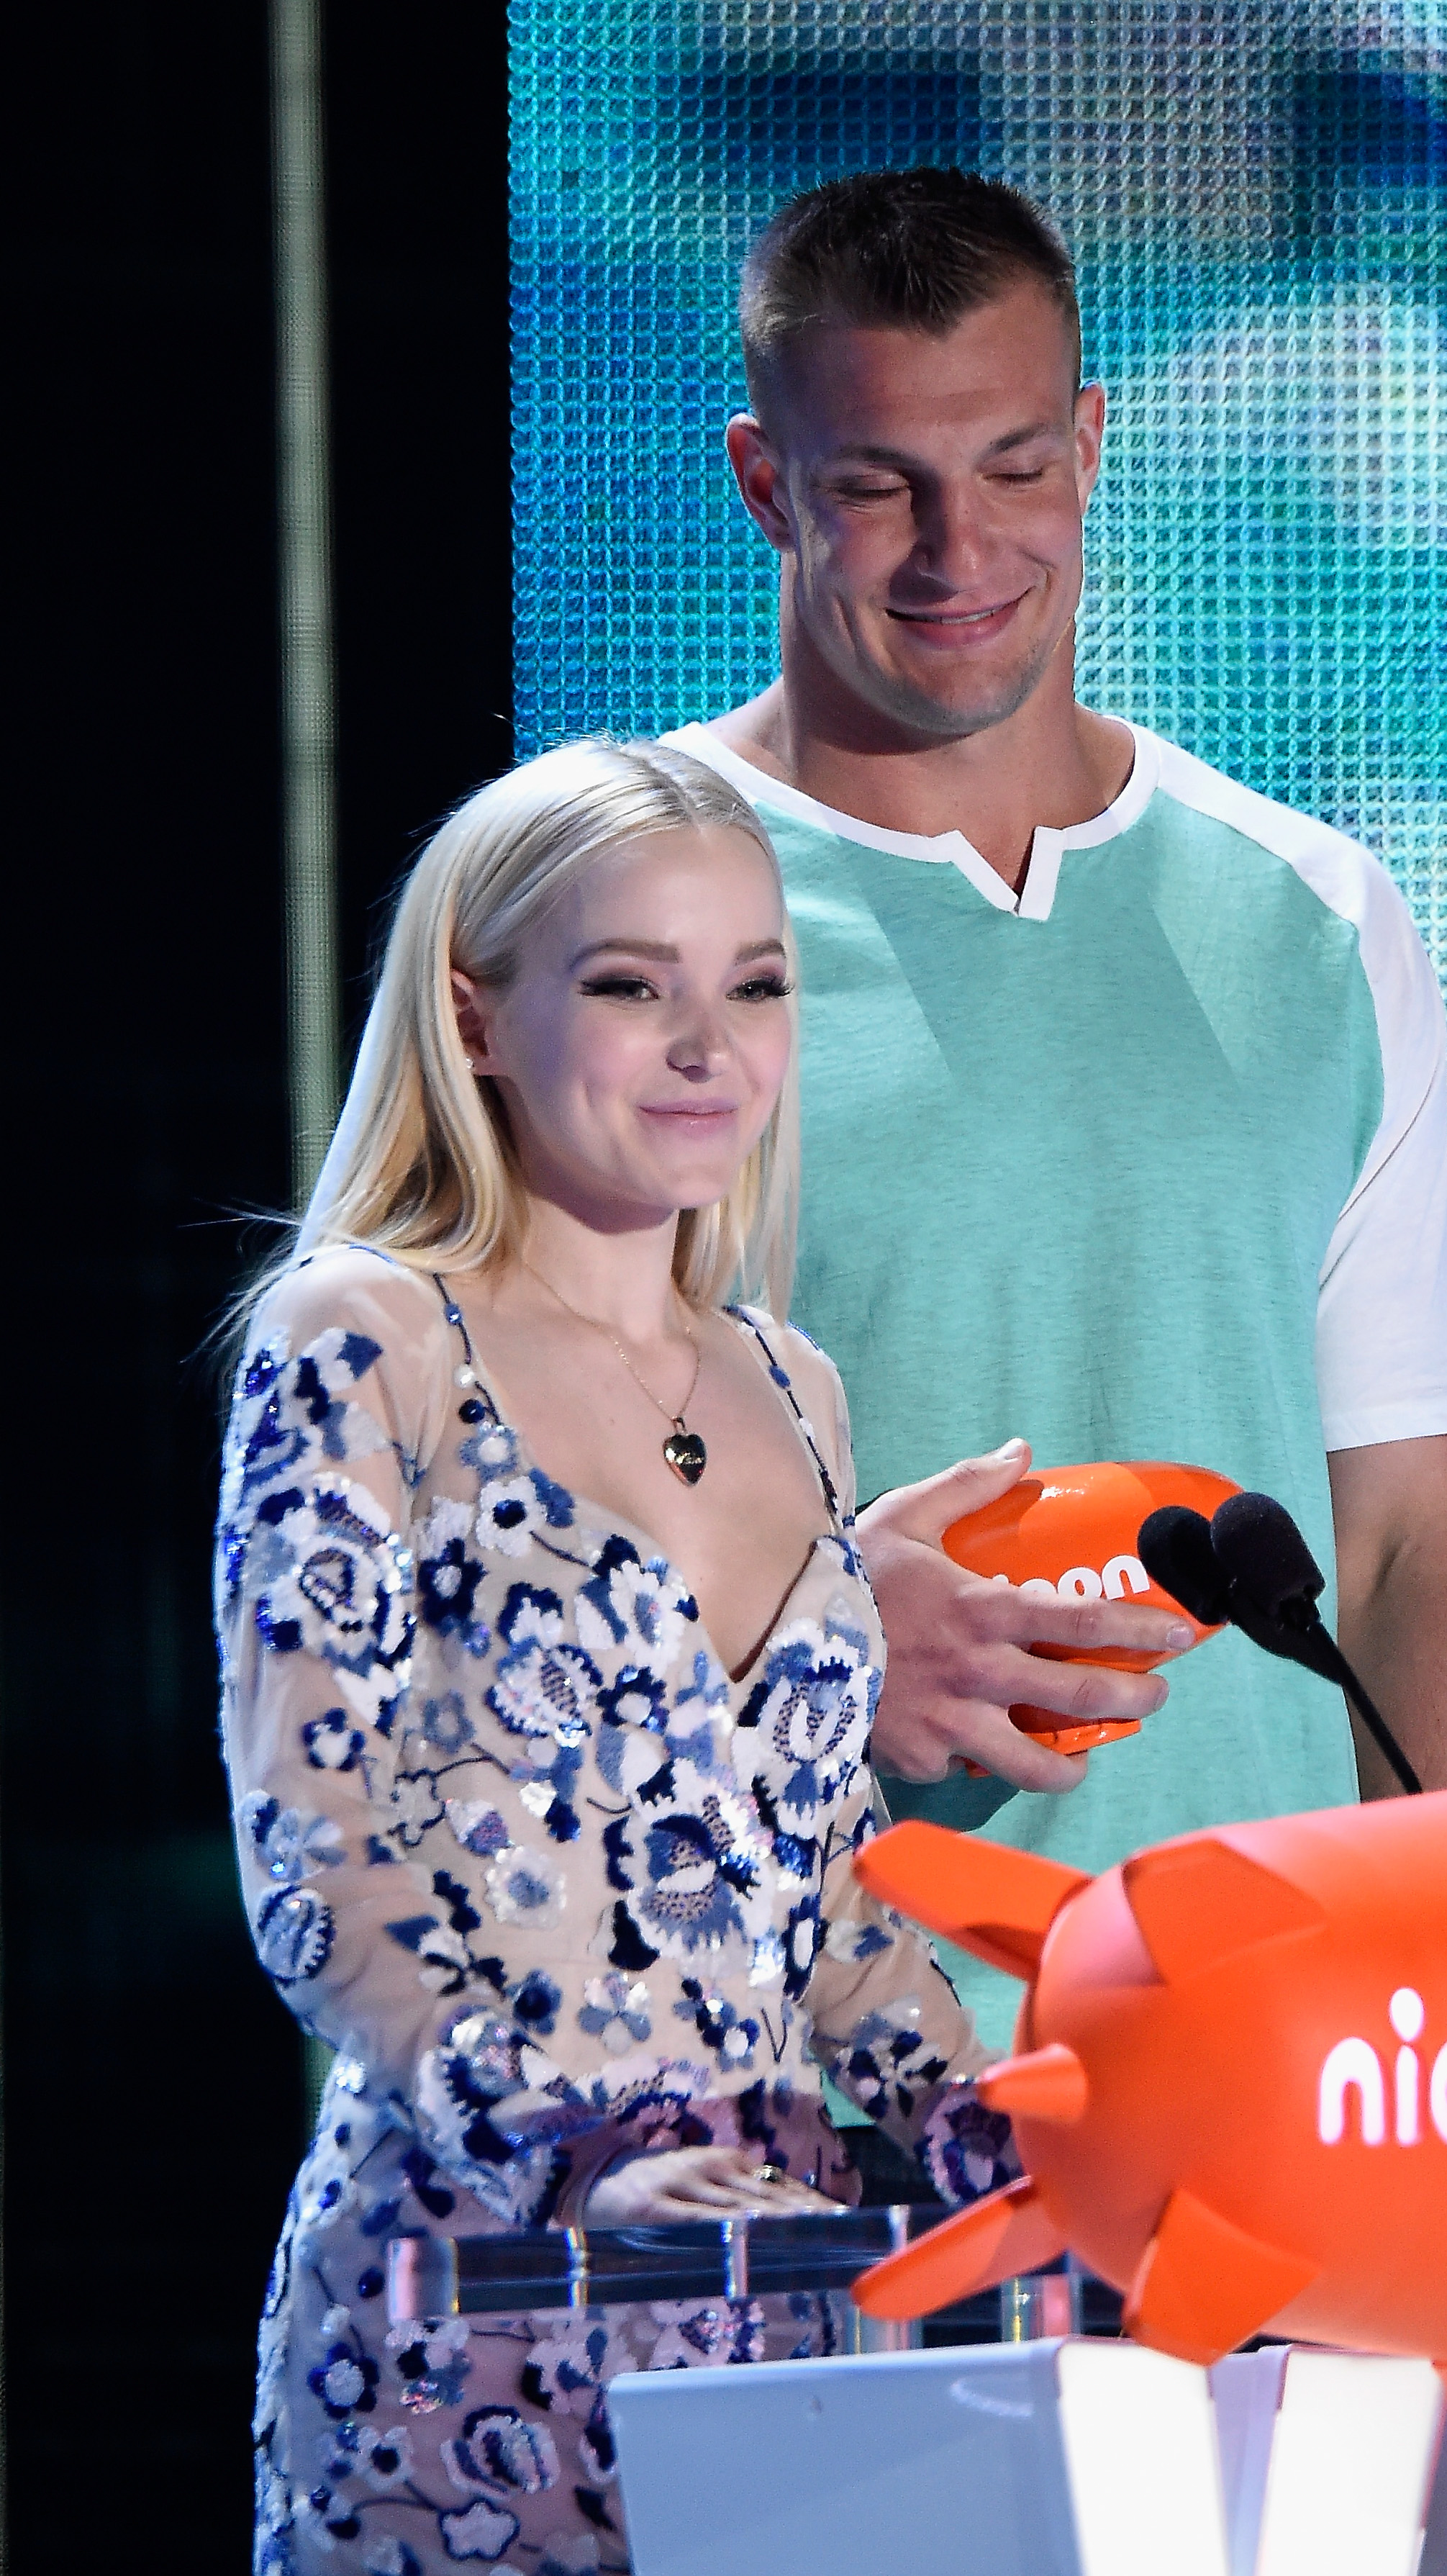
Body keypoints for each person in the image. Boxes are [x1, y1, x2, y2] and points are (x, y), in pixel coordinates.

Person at [662, 168, 1447, 2045]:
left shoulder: (1309, 914)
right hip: (789, 2082)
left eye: (1011, 468)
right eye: (878, 483)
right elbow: (438, 1517)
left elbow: (1402, 1537)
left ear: (1089, 445)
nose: (956, 549)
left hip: (1257, 2066)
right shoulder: (599, 913)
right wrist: (803, 1635)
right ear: (764, 484)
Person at [219, 738, 1012, 2576]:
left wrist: (993, 2127)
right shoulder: (366, 1338)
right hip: (471, 2305)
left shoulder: (792, 1382)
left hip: (771, 2314)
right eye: (633, 986)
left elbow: (814, 1877)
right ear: (475, 1018)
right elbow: (318, 1864)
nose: (707, 1046)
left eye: (756, 985)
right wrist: (577, 2156)